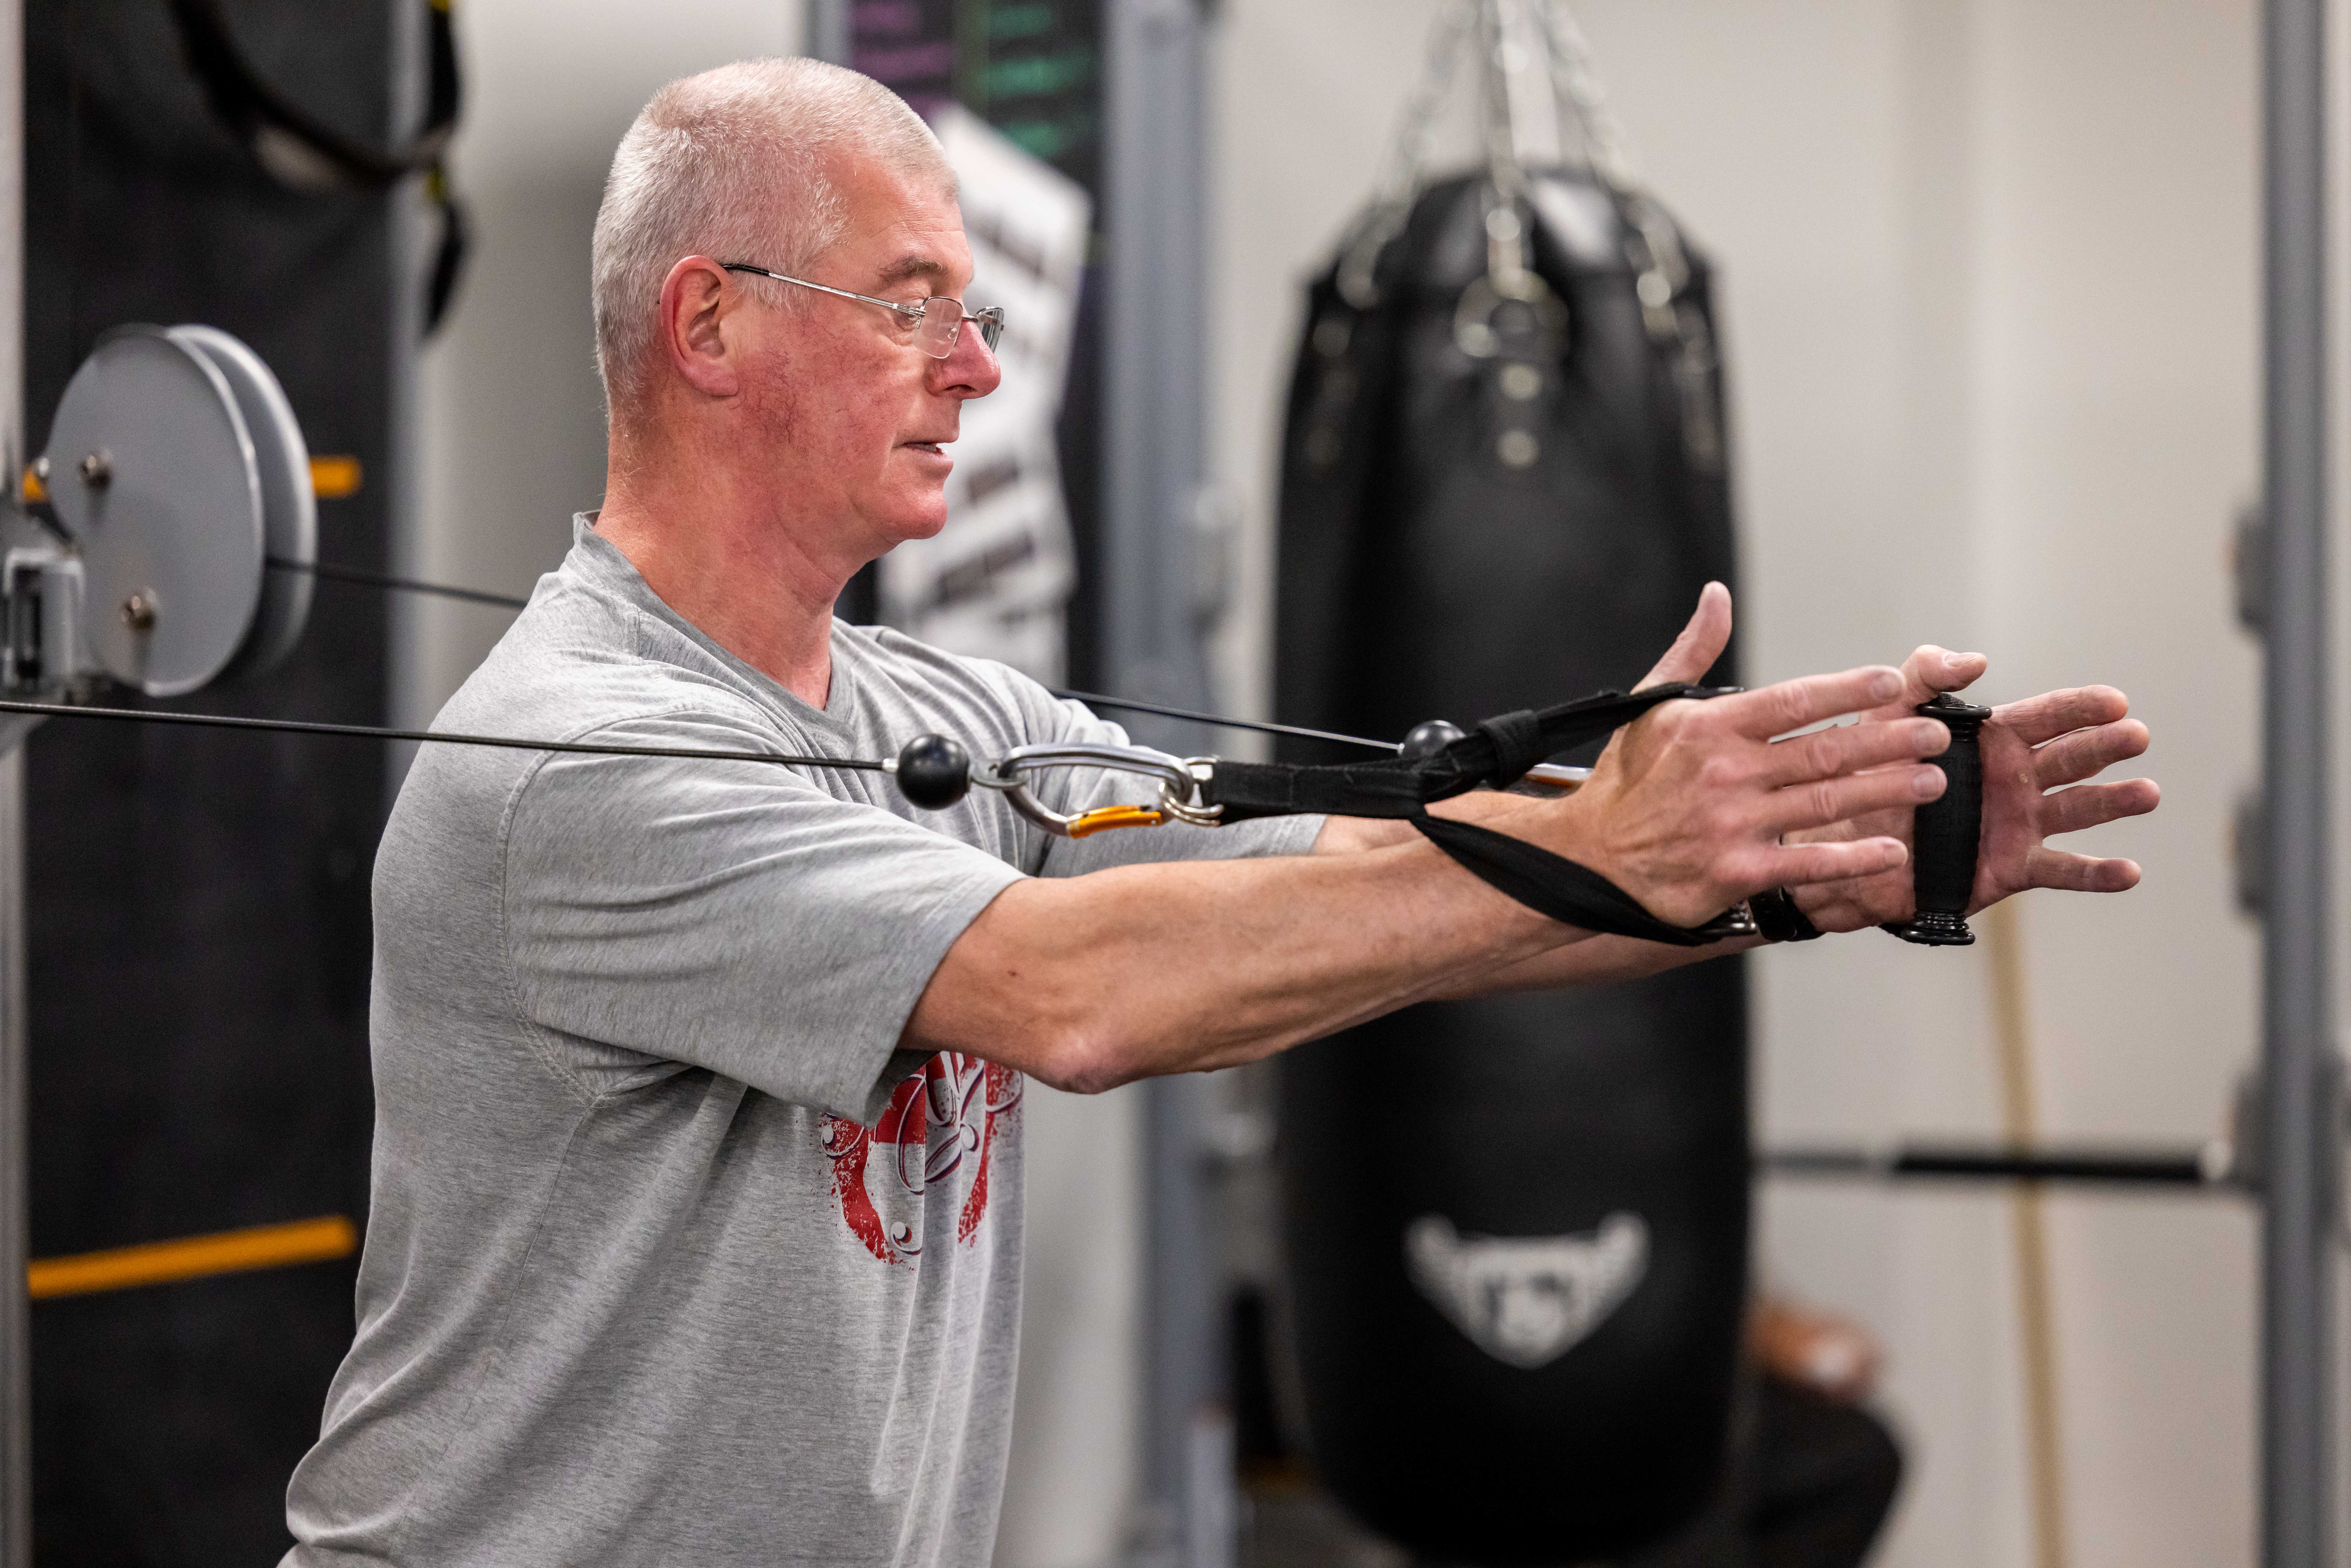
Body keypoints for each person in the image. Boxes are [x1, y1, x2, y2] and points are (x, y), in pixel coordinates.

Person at [279, 57, 2158, 1568]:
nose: (977, 367)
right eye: (912, 306)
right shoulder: (586, 759)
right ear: (711, 323)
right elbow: (1071, 992)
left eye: (972, 309)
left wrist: (1783, 863)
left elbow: (1363, 880)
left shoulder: (950, 717)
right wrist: (1615, 851)